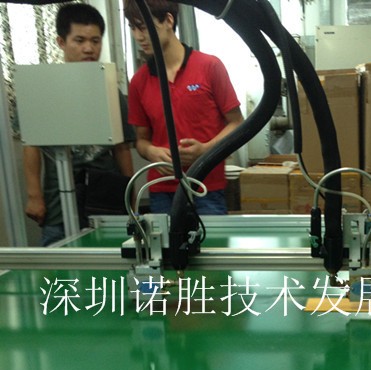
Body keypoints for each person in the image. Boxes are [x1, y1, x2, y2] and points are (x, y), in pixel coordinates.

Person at [22, 3, 135, 247]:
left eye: (95, 41)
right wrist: (34, 195)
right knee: (58, 266)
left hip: (105, 203)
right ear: (61, 42)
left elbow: (123, 149)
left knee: (110, 264)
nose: (89, 48)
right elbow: (31, 144)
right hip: (58, 206)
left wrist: (130, 196)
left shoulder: (110, 91)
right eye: (80, 40)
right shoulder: (43, 89)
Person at [124, 0, 243, 215]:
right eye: (133, 28)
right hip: (161, 190)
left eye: (144, 27)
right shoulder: (138, 82)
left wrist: (206, 150)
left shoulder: (209, 67)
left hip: (206, 186)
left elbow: (237, 123)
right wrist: (150, 151)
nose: (138, 36)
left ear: (168, 20)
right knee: (167, 239)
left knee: (211, 238)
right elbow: (141, 140)